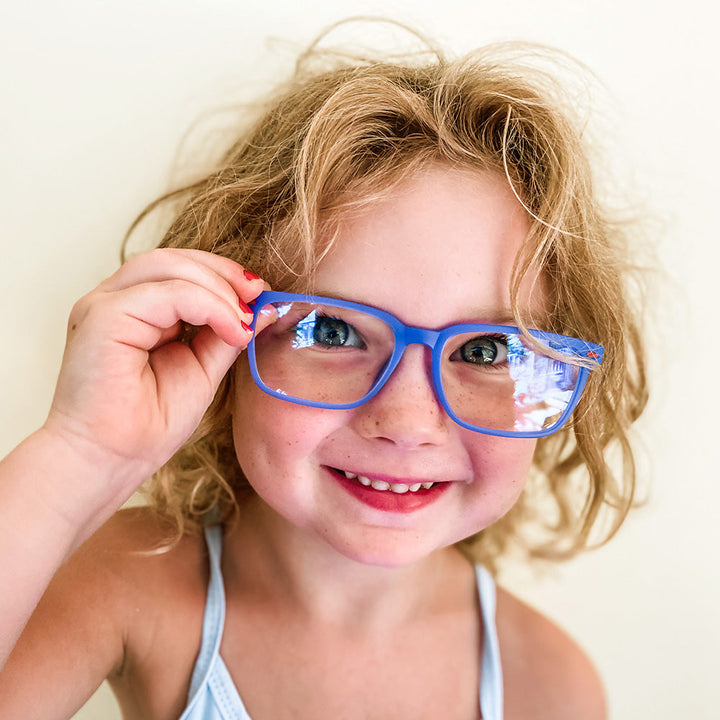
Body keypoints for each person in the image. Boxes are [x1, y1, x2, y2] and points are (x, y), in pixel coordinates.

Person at [0, 22, 647, 720]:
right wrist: (81, 453)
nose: (405, 422)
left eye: (486, 351)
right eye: (332, 330)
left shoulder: (548, 685)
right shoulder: (128, 583)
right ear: (222, 340)